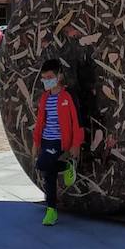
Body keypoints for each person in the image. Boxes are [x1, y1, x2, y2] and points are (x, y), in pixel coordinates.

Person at [32, 58, 83, 226]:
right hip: (46, 139)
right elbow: (40, 122)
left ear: (59, 76)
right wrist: (36, 142)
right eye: (44, 78)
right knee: (49, 176)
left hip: (59, 141)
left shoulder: (68, 96)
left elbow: (77, 122)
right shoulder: (45, 98)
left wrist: (76, 144)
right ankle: (51, 211)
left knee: (42, 164)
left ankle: (67, 165)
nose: (47, 81)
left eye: (50, 77)